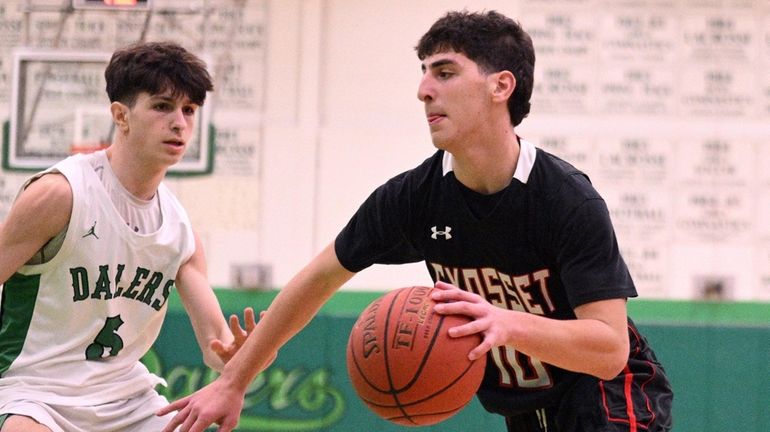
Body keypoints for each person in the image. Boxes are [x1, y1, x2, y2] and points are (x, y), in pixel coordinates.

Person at [160, 10, 673, 432]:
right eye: (423, 74)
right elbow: (319, 278)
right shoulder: (415, 197)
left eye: (444, 72)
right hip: (523, 408)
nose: (424, 90)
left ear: (501, 86)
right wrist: (235, 380)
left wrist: (504, 322)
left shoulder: (565, 200)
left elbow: (609, 350)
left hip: (609, 398)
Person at [0, 41, 255, 432]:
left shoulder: (180, 231)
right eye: (162, 106)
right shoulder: (61, 194)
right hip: (36, 394)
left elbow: (217, 344)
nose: (179, 123)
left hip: (127, 402)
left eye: (189, 110)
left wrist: (244, 355)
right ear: (121, 116)